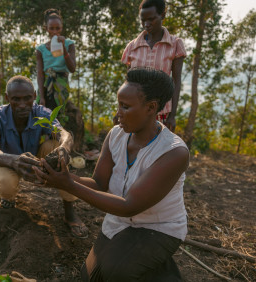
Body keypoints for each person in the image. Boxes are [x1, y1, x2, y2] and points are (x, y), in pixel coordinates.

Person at [34, 68, 190, 281]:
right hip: (121, 222)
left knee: (116, 272)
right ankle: (149, 265)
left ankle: (165, 273)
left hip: (158, 228)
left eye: (125, 107)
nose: (118, 114)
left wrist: (69, 185)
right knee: (89, 277)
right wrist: (57, 176)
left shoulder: (173, 152)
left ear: (151, 107)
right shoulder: (117, 135)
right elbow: (98, 183)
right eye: (118, 105)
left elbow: (129, 206)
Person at [0, 75, 88, 238]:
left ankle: (70, 211)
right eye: (16, 99)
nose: (23, 104)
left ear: (34, 96)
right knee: (5, 184)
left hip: (35, 160)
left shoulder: (41, 113)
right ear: (7, 98)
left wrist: (65, 148)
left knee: (54, 147)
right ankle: (9, 199)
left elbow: (63, 134)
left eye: (27, 98)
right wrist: (13, 160)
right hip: (8, 162)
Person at [120, 0, 186, 132]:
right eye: (143, 20)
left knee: (158, 151)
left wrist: (172, 115)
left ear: (163, 15)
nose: (146, 24)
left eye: (151, 19)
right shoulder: (132, 47)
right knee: (135, 149)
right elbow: (128, 83)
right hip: (135, 113)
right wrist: (120, 110)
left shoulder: (174, 44)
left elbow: (176, 82)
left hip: (161, 114)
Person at [36, 8, 76, 111]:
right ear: (46, 28)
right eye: (51, 28)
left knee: (59, 114)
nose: (54, 32)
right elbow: (40, 74)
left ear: (61, 28)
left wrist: (63, 48)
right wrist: (42, 97)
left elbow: (72, 68)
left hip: (61, 87)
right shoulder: (40, 50)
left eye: (57, 28)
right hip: (46, 86)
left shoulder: (69, 44)